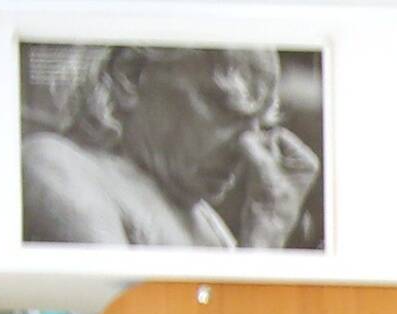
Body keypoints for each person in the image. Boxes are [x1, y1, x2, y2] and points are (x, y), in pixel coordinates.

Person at [21, 47, 319, 250]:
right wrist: (264, 243)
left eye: (261, 125)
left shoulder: (207, 223)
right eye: (225, 108)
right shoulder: (57, 166)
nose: (249, 147)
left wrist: (268, 230)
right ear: (130, 74)